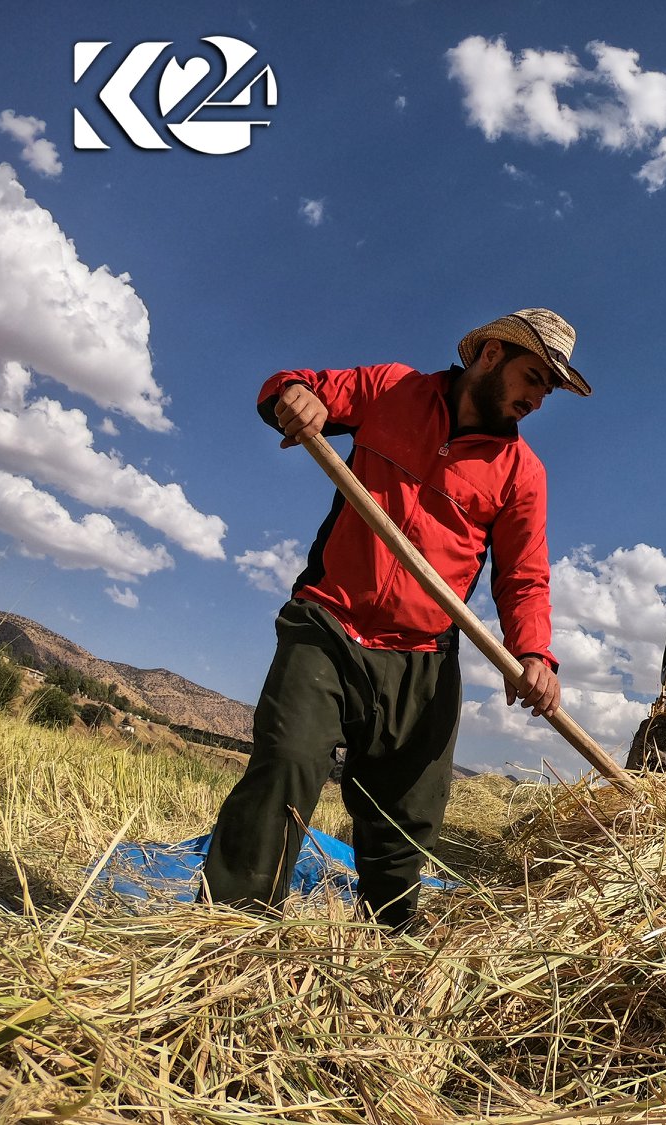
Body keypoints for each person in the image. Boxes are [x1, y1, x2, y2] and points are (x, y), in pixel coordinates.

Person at [203, 307, 591, 930]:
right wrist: (293, 396)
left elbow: (524, 577)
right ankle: (230, 932)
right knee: (289, 761)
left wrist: (537, 655)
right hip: (329, 621)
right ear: (491, 355)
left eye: (549, 387)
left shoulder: (523, 474)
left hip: (424, 654)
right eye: (535, 377)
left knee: (406, 818)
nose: (539, 399)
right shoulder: (394, 389)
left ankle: (391, 944)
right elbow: (296, 385)